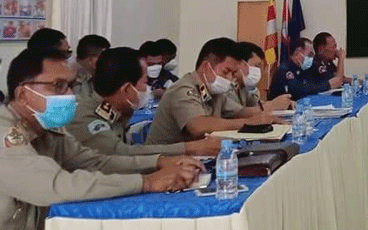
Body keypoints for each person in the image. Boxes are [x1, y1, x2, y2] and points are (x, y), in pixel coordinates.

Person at [0, 48, 203, 230]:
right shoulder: (5, 134)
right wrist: (146, 182)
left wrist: (158, 162)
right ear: (23, 94)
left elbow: (97, 163)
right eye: (58, 86)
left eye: (71, 85)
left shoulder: (47, 130)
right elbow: (57, 185)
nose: (70, 95)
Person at [67, 47, 220, 157]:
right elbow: (122, 154)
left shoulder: (118, 111)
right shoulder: (87, 116)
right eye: (145, 82)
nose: (148, 89)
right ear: (127, 89)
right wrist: (188, 148)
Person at [145, 37, 282, 145]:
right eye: (226, 72)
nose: (230, 78)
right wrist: (248, 123)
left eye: (233, 73)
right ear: (206, 67)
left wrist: (265, 117)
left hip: (194, 157)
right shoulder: (183, 89)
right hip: (163, 161)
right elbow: (198, 126)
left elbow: (239, 111)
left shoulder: (214, 91)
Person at [269, 37, 344, 100]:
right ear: (298, 54)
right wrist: (328, 85)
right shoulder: (285, 69)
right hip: (278, 110)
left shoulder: (302, 69)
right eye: (310, 55)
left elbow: (311, 85)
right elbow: (298, 90)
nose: (312, 58)